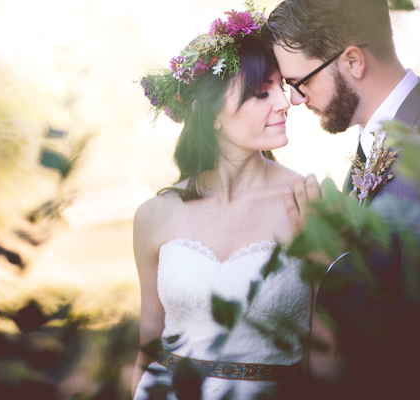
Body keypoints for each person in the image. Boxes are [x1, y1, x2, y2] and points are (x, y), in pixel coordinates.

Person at [263, 0, 420, 398]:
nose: (294, 99)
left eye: (300, 81)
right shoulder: (389, 134)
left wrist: (330, 261)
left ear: (354, 61)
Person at [132, 4, 313, 399]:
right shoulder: (155, 215)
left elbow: (334, 343)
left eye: (281, 88)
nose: (285, 103)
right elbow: (149, 341)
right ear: (210, 114)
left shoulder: (305, 202)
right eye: (261, 93)